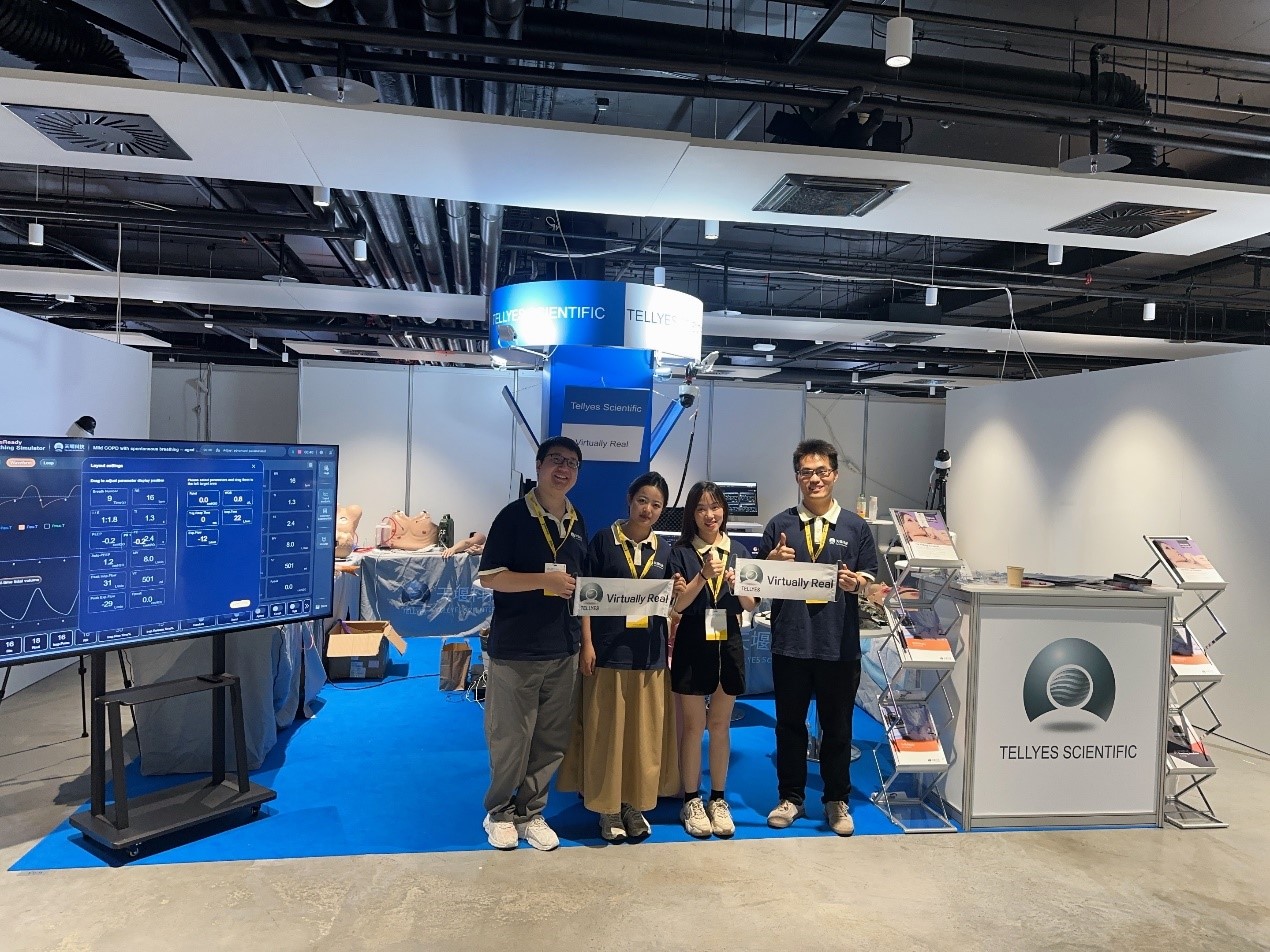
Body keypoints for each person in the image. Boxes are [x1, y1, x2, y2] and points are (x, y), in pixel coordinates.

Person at [759, 439, 880, 837]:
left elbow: (870, 580)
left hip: (838, 645)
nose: (815, 479)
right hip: (791, 643)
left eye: (822, 471)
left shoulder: (856, 527)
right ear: (797, 477)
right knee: (789, 725)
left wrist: (856, 582)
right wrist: (770, 562)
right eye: (806, 472)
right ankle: (791, 797)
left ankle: (836, 800)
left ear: (835, 475)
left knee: (838, 727)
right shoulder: (779, 525)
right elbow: (756, 583)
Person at [476, 436, 588, 852]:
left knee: (550, 739)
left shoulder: (577, 521)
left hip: (564, 648)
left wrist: (585, 641)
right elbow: (490, 577)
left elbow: (582, 588)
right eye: (556, 460)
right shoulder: (512, 517)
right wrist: (544, 581)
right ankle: (499, 812)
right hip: (517, 649)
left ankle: (531, 812)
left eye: (572, 463)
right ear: (539, 466)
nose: (564, 469)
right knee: (510, 737)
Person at [558, 472, 680, 842]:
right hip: (609, 652)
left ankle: (633, 804)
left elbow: (669, 607)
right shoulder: (603, 541)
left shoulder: (664, 550)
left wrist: (677, 592)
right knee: (606, 734)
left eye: (656, 504)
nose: (648, 509)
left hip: (649, 656)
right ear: (629, 500)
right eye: (642, 500)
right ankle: (607, 807)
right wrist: (588, 644)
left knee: (641, 737)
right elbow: (586, 596)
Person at [668, 481, 759, 838]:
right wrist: (703, 575)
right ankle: (691, 799)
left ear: (724, 510)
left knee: (720, 725)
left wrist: (738, 586)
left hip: (729, 640)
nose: (710, 515)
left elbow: (750, 605)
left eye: (716, 506)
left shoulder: (738, 550)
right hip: (692, 641)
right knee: (693, 727)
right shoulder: (680, 552)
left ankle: (718, 799)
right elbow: (677, 605)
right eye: (702, 508)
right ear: (692, 514)